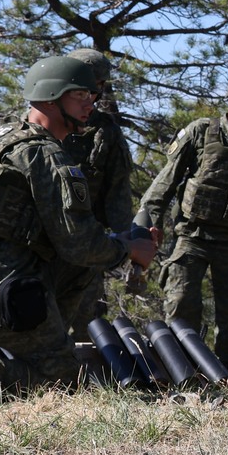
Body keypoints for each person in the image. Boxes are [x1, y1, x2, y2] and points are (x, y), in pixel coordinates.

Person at [0, 56, 158, 396]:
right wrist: (129, 248)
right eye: (80, 96)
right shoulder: (46, 155)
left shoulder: (4, 135)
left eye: (91, 96)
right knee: (63, 382)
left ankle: (41, 343)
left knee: (81, 276)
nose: (90, 105)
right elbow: (81, 244)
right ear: (50, 99)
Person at [135, 68, 228, 374]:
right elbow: (165, 183)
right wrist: (149, 221)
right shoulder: (201, 133)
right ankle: (181, 373)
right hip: (193, 236)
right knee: (180, 305)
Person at [48, 47, 136, 329]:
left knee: (88, 323)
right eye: (84, 88)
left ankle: (85, 375)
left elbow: (118, 194)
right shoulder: (42, 123)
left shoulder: (105, 132)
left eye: (96, 88)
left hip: (86, 245)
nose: (91, 96)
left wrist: (125, 247)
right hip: (40, 246)